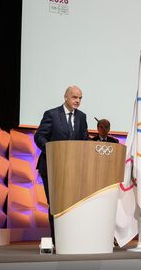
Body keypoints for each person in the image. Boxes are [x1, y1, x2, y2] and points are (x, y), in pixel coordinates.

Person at [34, 85, 90, 243]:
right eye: (74, 97)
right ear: (65, 97)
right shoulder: (51, 114)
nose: (77, 100)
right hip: (52, 167)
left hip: (74, 168)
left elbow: (84, 140)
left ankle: (72, 240)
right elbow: (39, 136)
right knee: (56, 204)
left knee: (73, 204)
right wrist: (51, 150)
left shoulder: (82, 117)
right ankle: (57, 240)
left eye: (80, 98)